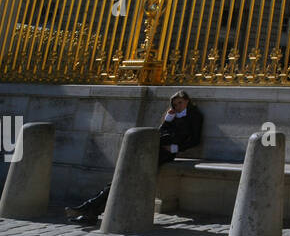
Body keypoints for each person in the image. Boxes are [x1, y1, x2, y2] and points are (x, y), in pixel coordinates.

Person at [65, 91, 204, 225]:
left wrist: (175, 148)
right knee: (121, 178)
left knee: (123, 179)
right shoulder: (173, 115)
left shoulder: (195, 116)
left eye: (179, 103)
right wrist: (167, 120)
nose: (177, 106)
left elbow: (195, 140)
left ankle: (88, 208)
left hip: (165, 153)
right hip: (152, 148)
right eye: (174, 104)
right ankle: (89, 210)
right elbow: (158, 134)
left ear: (186, 100)